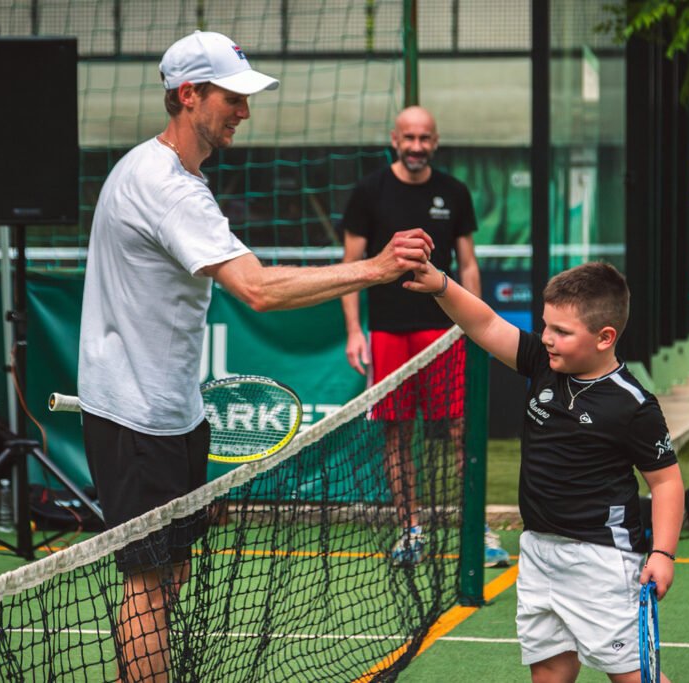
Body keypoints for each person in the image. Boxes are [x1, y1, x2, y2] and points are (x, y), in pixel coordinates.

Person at [77, 31, 434, 683]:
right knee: (149, 582)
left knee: (172, 569)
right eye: (232, 97)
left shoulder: (175, 178)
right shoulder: (165, 186)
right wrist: (374, 269)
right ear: (189, 96)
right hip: (134, 416)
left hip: (174, 410)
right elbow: (259, 289)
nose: (244, 111)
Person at [405, 261, 683, 682]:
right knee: (550, 671)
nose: (548, 339)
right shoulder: (541, 362)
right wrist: (442, 285)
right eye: (545, 326)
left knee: (634, 676)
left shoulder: (633, 405)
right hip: (536, 551)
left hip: (601, 561)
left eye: (562, 332)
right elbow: (484, 324)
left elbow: (666, 482)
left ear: (605, 337)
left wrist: (662, 554)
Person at [338, 106, 509, 568]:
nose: (416, 146)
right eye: (408, 137)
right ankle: (411, 530)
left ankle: (477, 529)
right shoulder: (368, 192)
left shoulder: (453, 192)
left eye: (425, 138)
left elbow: (468, 264)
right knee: (397, 435)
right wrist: (356, 331)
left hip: (445, 333)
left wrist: (477, 326)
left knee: (461, 433)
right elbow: (351, 269)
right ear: (395, 139)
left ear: (435, 142)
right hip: (388, 334)